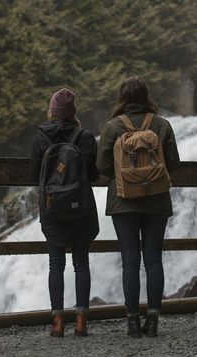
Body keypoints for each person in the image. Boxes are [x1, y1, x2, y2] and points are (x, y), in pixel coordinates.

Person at [97, 77, 180, 338]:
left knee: (130, 262)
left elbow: (102, 167)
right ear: (146, 96)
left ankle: (133, 323)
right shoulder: (162, 124)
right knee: (154, 260)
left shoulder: (112, 127)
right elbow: (174, 164)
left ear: (122, 97)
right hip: (157, 201)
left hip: (124, 202)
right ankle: (153, 320)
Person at [31, 88, 99, 337]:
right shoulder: (86, 137)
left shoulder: (40, 138)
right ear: (73, 113)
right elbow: (92, 175)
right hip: (80, 207)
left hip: (51, 208)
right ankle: (81, 320)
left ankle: (57, 321)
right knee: (81, 264)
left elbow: (34, 176)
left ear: (52, 111)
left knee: (55, 265)